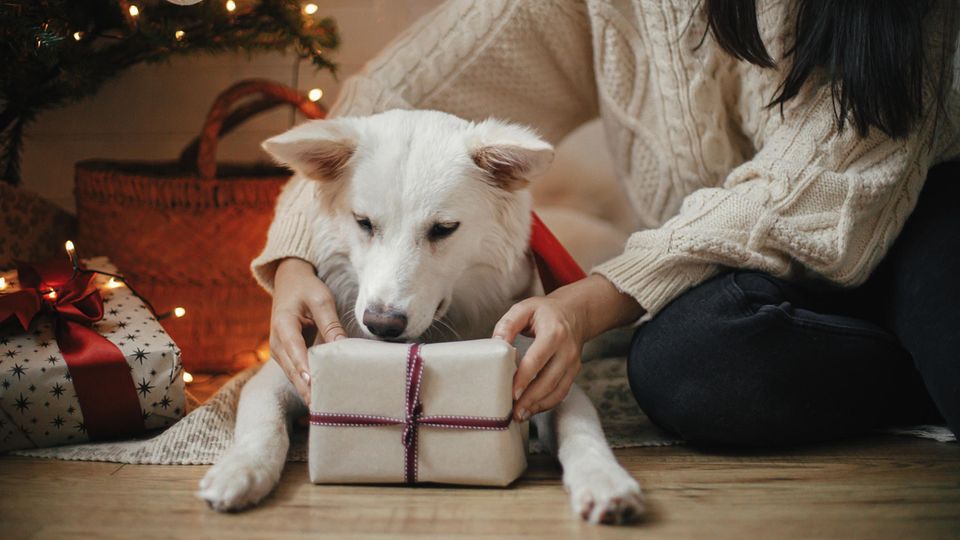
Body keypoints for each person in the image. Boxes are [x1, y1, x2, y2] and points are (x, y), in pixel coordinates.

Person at [253, 0, 960, 446]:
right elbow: (382, 102)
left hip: (924, 216)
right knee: (681, 369)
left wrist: (587, 302)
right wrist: (293, 259)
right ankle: (903, 377)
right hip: (744, 263)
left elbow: (812, 184)